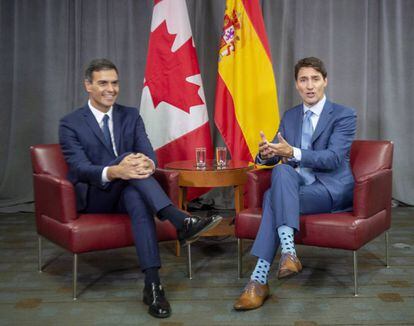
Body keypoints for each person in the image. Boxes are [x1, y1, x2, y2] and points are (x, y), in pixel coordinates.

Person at [59, 58, 222, 318]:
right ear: (88, 86)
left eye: (114, 83)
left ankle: (153, 285)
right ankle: (179, 219)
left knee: (136, 195)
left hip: (127, 193)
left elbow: (150, 158)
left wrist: (142, 163)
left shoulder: (131, 115)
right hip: (96, 196)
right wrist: (116, 170)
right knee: (125, 161)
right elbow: (79, 168)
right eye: (103, 83)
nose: (110, 89)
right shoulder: (70, 123)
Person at [234, 57, 357, 310]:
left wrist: (292, 153)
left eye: (315, 79)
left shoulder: (344, 115)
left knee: (271, 198)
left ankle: (258, 279)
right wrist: (267, 154)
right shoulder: (290, 116)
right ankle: (288, 255)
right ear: (296, 85)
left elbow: (333, 158)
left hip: (329, 189)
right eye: (303, 80)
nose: (309, 85)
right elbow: (282, 153)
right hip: (295, 186)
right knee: (280, 172)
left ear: (325, 81)